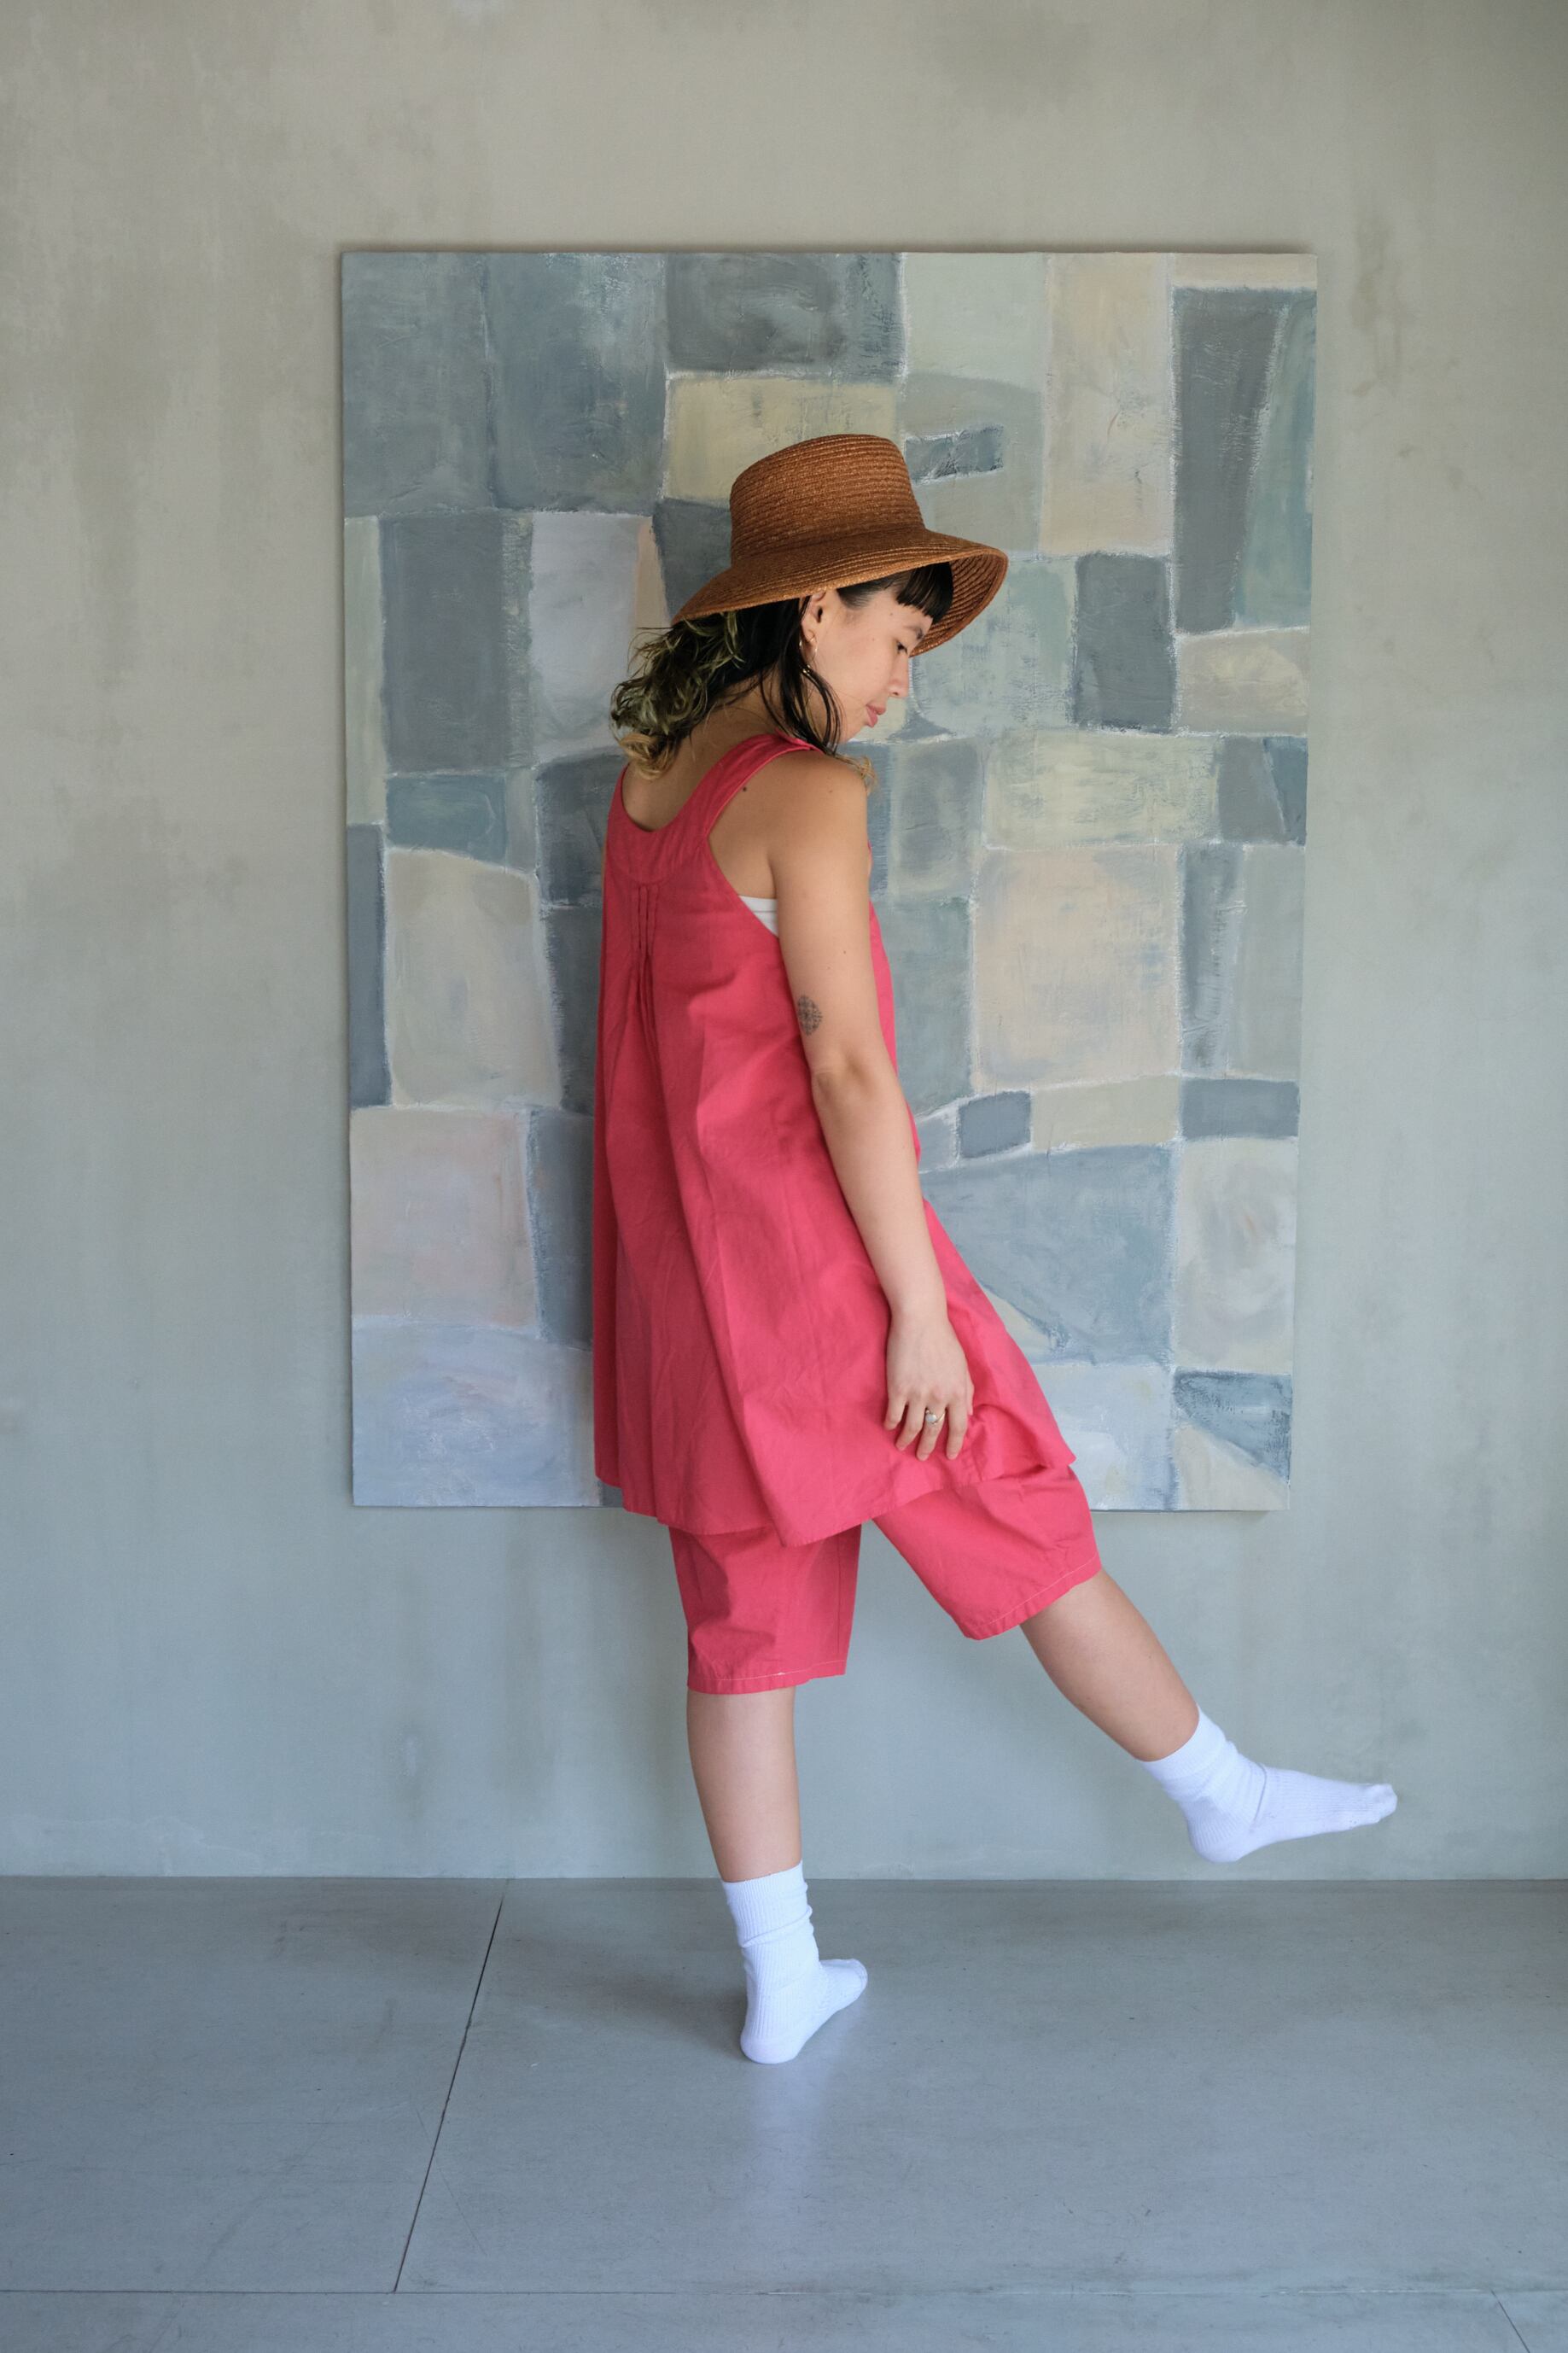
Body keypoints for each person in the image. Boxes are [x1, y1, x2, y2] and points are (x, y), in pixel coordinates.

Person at [592, 433, 1396, 2066]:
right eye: (899, 635)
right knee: (1021, 1514)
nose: (905, 677)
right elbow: (845, 1070)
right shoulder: (808, 793)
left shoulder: (654, 782)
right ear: (813, 611)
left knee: (739, 1632)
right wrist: (915, 1313)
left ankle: (782, 1980)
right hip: (822, 1266)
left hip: (684, 1282)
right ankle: (1220, 1792)